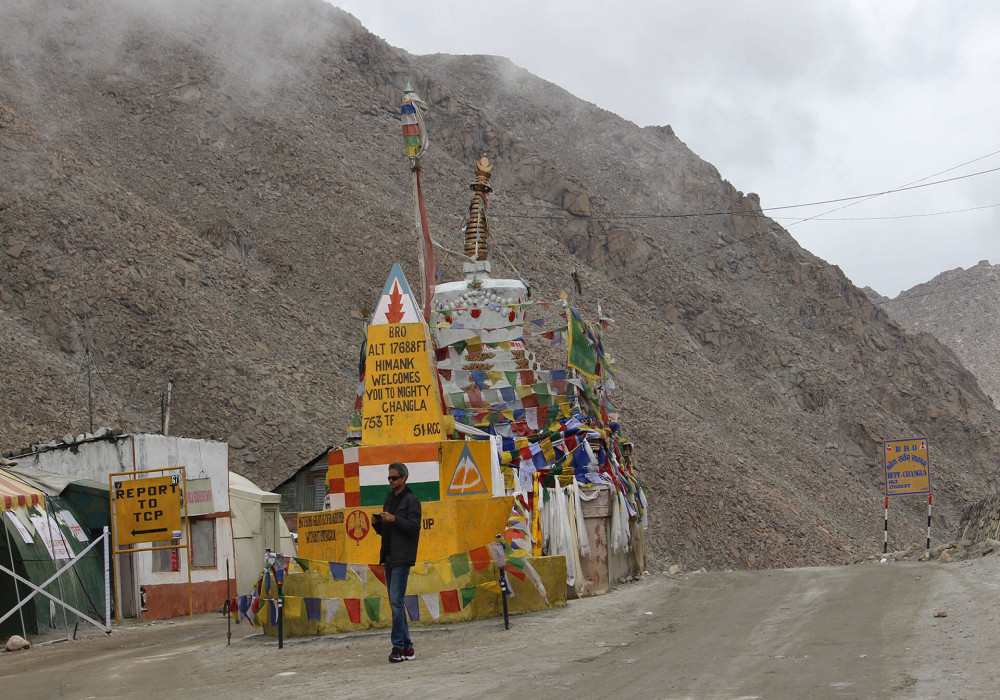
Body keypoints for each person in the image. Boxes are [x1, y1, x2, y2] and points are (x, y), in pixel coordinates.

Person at [372, 462, 422, 663]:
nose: (391, 481)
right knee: (397, 602)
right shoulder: (389, 499)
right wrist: (378, 524)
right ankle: (408, 647)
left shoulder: (412, 501)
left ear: (404, 478)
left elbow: (414, 528)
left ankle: (398, 646)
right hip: (389, 555)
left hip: (403, 556)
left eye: (394, 478)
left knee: (395, 601)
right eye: (389, 478)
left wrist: (395, 519)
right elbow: (387, 530)